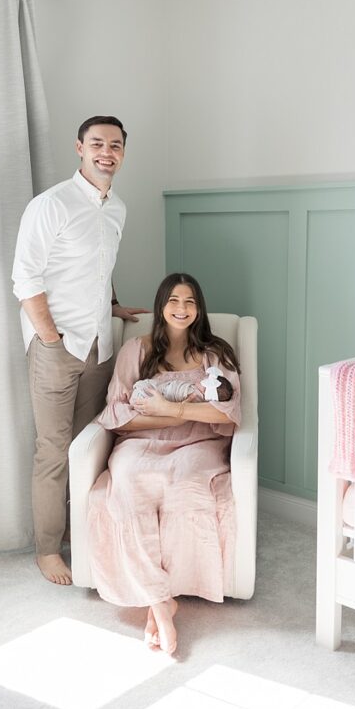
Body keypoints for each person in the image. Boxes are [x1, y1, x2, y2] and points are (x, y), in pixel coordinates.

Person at [11, 115, 149, 585]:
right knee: (52, 449)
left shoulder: (118, 209)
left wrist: (112, 305)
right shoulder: (50, 205)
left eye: (115, 145)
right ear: (79, 148)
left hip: (100, 345)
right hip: (56, 347)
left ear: (123, 152)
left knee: (85, 444)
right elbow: (25, 279)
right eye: (97, 143)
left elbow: (100, 267)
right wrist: (50, 336)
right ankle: (48, 549)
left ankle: (79, 532)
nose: (105, 152)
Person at [86, 272, 242, 656]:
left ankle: (159, 602)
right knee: (127, 482)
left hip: (198, 443)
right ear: (161, 306)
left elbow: (227, 411)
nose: (182, 309)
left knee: (184, 486)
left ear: (199, 309)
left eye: (190, 301)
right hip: (140, 442)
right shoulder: (135, 351)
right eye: (173, 300)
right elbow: (117, 412)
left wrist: (172, 409)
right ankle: (161, 602)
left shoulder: (214, 354)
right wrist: (175, 416)